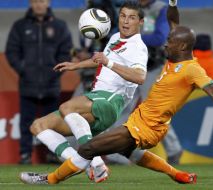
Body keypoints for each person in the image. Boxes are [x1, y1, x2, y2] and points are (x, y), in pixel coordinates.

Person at [20, 0, 213, 185]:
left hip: (144, 125)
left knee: (88, 148)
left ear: (181, 46)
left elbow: (211, 89)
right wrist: (172, 3)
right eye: (123, 16)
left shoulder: (191, 68)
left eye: (169, 42)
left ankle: (50, 179)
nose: (164, 44)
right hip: (137, 120)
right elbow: (173, 23)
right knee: (128, 153)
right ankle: (176, 174)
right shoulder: (172, 55)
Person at [19, 0, 148, 183]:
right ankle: (84, 165)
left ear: (140, 22)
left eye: (132, 18)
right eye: (123, 16)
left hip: (110, 101)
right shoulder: (116, 38)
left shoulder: (138, 47)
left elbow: (140, 76)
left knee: (67, 107)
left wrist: (108, 62)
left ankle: (95, 162)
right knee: (38, 126)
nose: (126, 21)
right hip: (95, 99)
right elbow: (101, 59)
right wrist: (75, 65)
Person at [107, 0, 183, 165]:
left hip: (152, 68)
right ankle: (116, 154)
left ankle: (174, 149)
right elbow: (114, 32)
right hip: (130, 67)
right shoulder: (129, 8)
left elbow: (159, 37)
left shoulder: (161, 9)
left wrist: (131, 35)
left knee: (155, 111)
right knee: (121, 108)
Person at [5, 0, 73, 164]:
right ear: (30, 3)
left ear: (48, 3)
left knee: (54, 123)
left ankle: (52, 154)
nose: (39, 5)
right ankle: (25, 155)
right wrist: (23, 69)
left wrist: (56, 72)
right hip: (28, 84)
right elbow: (12, 51)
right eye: (35, 1)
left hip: (51, 85)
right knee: (26, 123)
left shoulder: (60, 26)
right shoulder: (20, 26)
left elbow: (66, 51)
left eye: (42, 1)